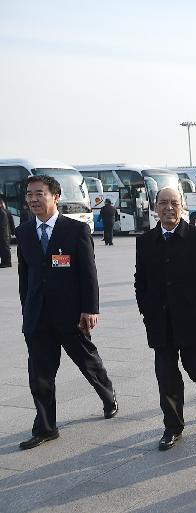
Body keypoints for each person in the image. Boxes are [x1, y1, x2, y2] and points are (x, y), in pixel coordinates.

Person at [15, 175, 117, 450]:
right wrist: (27, 310)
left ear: (55, 196)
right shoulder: (24, 232)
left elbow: (88, 273)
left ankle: (108, 396)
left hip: (71, 314)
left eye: (39, 194)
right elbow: (26, 277)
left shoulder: (75, 230)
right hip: (38, 317)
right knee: (40, 375)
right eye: (29, 194)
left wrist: (90, 309)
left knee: (88, 362)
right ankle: (46, 427)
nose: (33, 199)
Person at [135, 187, 196, 451]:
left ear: (182, 206)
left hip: (192, 318)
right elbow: (139, 280)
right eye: (163, 203)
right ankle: (172, 426)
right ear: (155, 207)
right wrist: (146, 309)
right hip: (159, 321)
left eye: (173, 203)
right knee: (166, 375)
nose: (168, 208)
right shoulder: (145, 241)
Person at [0, 198, 12, 267]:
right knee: (3, 249)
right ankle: (4, 262)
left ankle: (7, 263)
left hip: (3, 234)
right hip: (3, 234)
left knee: (5, 249)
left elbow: (3, 225)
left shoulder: (2, 213)